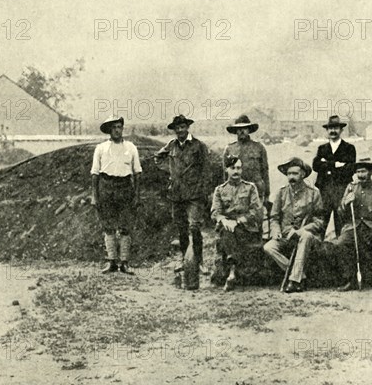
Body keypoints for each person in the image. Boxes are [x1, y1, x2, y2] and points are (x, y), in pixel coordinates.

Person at [154, 115, 210, 275]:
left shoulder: (198, 146)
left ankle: (199, 262)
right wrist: (170, 171)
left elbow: (206, 170)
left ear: (187, 128)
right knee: (181, 228)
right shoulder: (171, 145)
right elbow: (158, 158)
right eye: (177, 128)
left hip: (194, 194)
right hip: (177, 193)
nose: (180, 130)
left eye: (182, 127)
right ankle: (185, 260)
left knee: (194, 227)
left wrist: (203, 190)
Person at [263, 158, 324, 293]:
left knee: (306, 236)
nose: (291, 177)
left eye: (295, 174)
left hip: (307, 236)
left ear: (302, 174)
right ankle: (300, 275)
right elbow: (274, 217)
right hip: (285, 235)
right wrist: (276, 231)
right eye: (289, 174)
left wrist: (302, 230)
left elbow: (319, 221)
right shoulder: (281, 192)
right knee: (268, 247)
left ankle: (294, 281)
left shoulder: (314, 193)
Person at [336, 158, 372, 298]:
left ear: (371, 172)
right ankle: (351, 279)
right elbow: (340, 212)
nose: (360, 175)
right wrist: (345, 203)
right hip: (353, 227)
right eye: (358, 172)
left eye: (363, 171)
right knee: (341, 243)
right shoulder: (351, 187)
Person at [90, 116, 142, 275]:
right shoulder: (101, 148)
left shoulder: (131, 147)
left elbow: (137, 173)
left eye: (119, 127)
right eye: (114, 128)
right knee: (108, 226)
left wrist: (137, 195)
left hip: (125, 187)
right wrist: (95, 195)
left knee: (126, 226)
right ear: (109, 130)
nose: (117, 130)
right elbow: (95, 173)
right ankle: (112, 261)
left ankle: (124, 263)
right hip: (106, 187)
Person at [211, 156, 262, 291]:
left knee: (232, 232)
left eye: (239, 168)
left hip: (246, 227)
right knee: (228, 231)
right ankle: (232, 271)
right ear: (226, 170)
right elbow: (215, 212)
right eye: (233, 168)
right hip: (227, 226)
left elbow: (255, 211)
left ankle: (232, 270)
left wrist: (238, 221)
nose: (236, 171)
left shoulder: (250, 188)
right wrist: (224, 220)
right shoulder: (220, 190)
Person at [312, 115, 356, 237]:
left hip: (341, 190)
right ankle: (316, 251)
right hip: (324, 190)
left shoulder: (349, 148)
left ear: (341, 130)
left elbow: (349, 169)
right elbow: (315, 166)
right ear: (327, 131)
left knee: (340, 224)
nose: (333, 131)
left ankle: (339, 252)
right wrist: (336, 164)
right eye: (330, 128)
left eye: (336, 128)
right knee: (320, 223)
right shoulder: (322, 148)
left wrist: (326, 165)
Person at [223, 115, 270, 205]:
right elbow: (225, 174)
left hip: (256, 190)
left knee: (256, 216)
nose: (241, 131)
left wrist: (267, 194)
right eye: (239, 129)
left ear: (249, 130)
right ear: (236, 131)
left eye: (245, 128)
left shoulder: (259, 147)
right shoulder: (229, 149)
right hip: (236, 191)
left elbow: (265, 172)